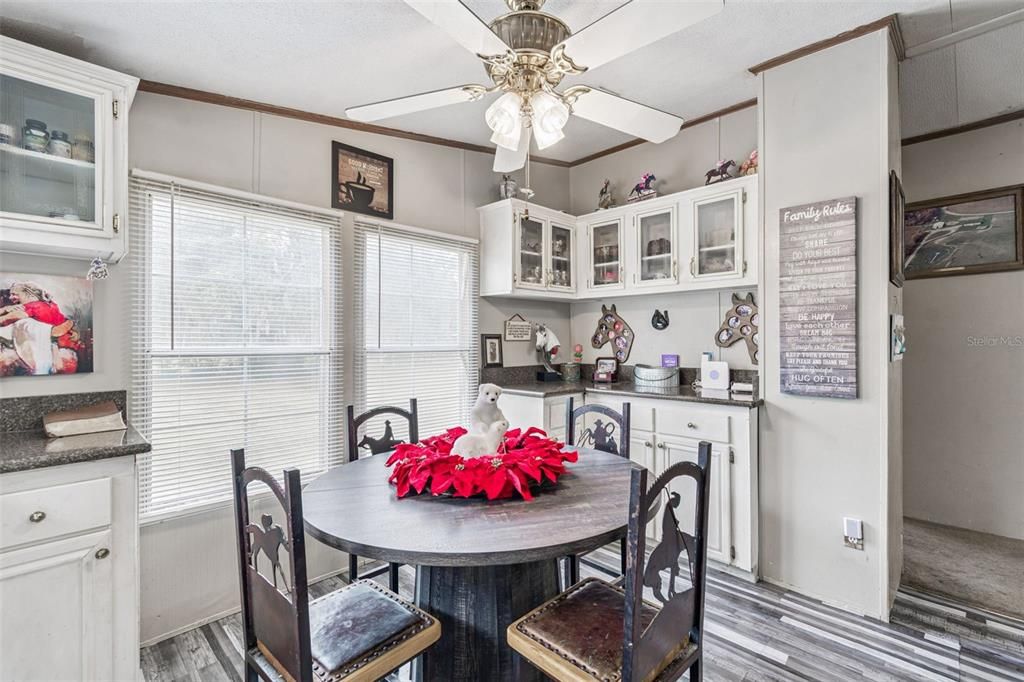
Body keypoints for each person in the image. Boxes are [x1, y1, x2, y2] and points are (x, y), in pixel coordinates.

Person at [0, 281, 82, 374]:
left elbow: (4, 319)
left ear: (28, 294)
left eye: (14, 294)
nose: (10, 297)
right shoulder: (50, 305)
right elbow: (63, 321)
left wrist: (5, 310)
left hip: (53, 347)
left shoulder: (30, 307)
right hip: (64, 347)